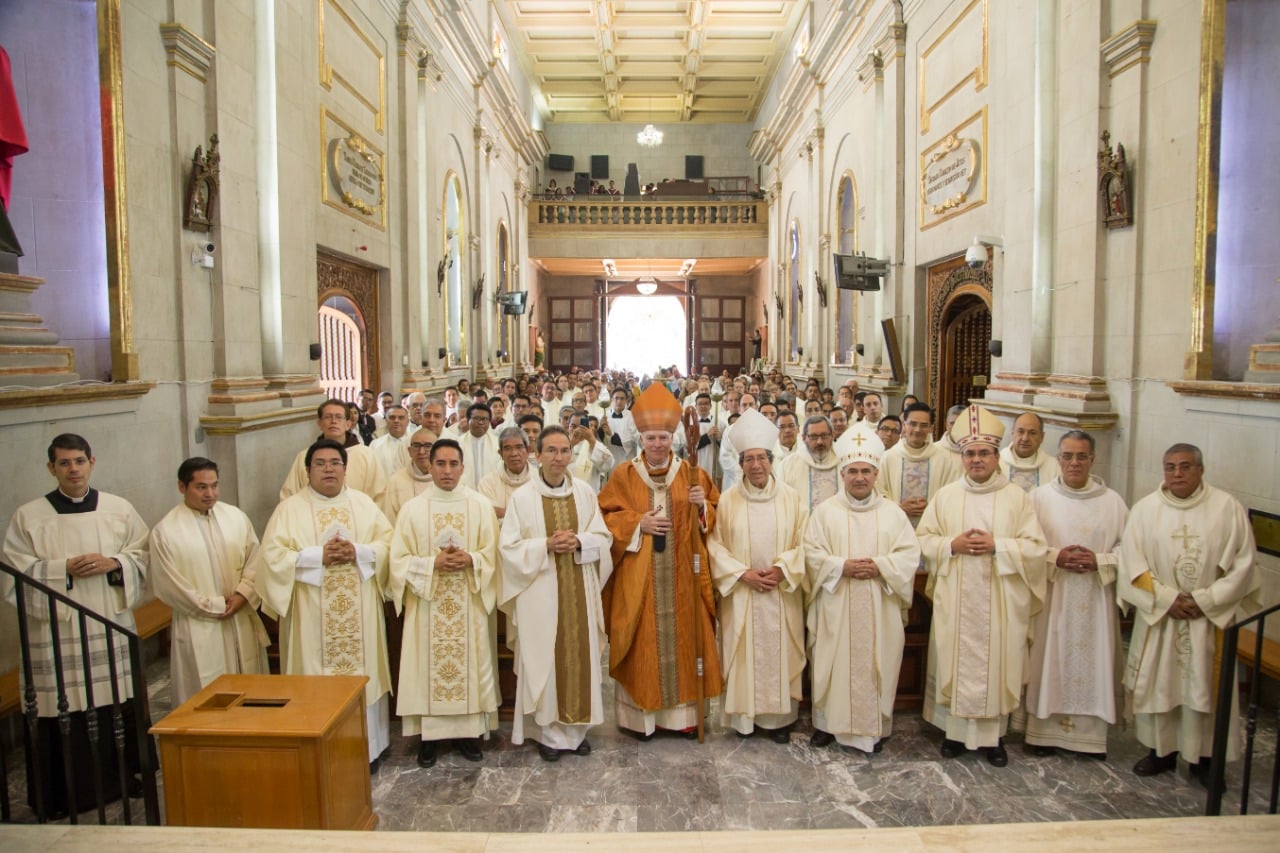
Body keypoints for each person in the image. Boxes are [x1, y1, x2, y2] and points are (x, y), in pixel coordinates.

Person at [3, 433, 150, 817]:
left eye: (79, 461)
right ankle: (61, 795)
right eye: (64, 463)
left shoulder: (118, 509)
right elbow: (12, 574)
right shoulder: (29, 516)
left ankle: (122, 778)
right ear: (51, 468)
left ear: (92, 463)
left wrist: (116, 563)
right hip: (57, 631)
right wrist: (60, 569)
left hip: (108, 620)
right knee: (63, 709)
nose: (73, 469)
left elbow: (143, 554)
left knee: (115, 701)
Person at [1118, 443, 1261, 780]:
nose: (1177, 474)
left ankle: (1207, 760)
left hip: (1208, 621)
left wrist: (1206, 601)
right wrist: (1169, 599)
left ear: (1200, 470)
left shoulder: (1227, 508)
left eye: (1185, 467)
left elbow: (1244, 564)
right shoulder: (1145, 510)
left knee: (1206, 691)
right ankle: (1159, 752)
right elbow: (1131, 564)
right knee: (1160, 685)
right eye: (1170, 467)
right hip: (1163, 618)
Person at [916, 405, 1047, 766]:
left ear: (995, 456)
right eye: (970, 453)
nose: (976, 460)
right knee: (955, 660)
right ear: (962, 457)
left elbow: (1036, 548)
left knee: (997, 662)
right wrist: (950, 545)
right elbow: (923, 537)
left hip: (1000, 599)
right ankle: (954, 734)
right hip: (956, 595)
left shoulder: (1016, 498)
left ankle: (994, 739)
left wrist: (998, 546)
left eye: (983, 453)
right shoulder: (946, 496)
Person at [254, 438, 394, 763]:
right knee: (315, 680)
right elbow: (271, 558)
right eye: (320, 463)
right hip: (311, 616)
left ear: (346, 469)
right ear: (307, 471)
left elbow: (389, 545)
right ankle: (317, 745)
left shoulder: (363, 504)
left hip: (360, 617)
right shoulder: (289, 510)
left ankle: (367, 749)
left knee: (363, 675)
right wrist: (319, 557)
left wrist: (358, 551)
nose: (328, 469)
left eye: (335, 463)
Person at [598, 383, 723, 738]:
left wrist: (703, 506)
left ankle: (683, 719)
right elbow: (605, 517)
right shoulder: (623, 475)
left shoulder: (691, 473)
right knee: (641, 644)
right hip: (640, 579)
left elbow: (713, 517)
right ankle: (642, 721)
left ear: (674, 439)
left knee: (686, 643)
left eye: (663, 438)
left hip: (684, 574)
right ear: (641, 438)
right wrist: (639, 522)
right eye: (651, 438)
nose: (657, 445)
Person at [499, 426, 614, 761]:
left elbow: (603, 538)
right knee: (544, 662)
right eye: (551, 451)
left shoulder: (584, 492)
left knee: (580, 658)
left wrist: (580, 541)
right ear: (538, 455)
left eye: (565, 451)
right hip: (539, 593)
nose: (559, 458)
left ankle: (577, 733)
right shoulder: (522, 498)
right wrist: (545, 545)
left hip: (580, 586)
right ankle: (549, 733)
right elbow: (508, 549)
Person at [805, 432, 920, 754]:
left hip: (878, 605)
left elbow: (909, 554)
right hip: (836, 604)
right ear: (841, 474)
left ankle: (875, 726)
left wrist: (880, 566)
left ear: (876, 475)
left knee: (877, 663)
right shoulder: (825, 512)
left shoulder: (893, 514)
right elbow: (811, 553)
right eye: (852, 471)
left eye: (865, 471)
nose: (859, 477)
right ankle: (826, 724)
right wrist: (841, 566)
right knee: (831, 662)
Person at [388, 438, 500, 768]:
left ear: (463, 468)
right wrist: (430, 564)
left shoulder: (479, 506)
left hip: (468, 603)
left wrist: (472, 559)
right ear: (430, 466)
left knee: (469, 666)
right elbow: (397, 560)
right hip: (427, 604)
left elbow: (493, 555)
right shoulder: (413, 509)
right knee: (426, 667)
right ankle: (429, 738)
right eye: (441, 464)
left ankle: (468, 734)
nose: (447, 471)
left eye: (454, 464)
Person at [1024, 430, 1128, 759]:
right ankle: (1043, 734)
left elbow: (1131, 550)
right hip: (1054, 595)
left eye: (1081, 456)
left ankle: (1089, 739)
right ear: (1058, 459)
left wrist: (1102, 560)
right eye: (1067, 456)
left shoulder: (1112, 502)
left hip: (1095, 600)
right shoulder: (1039, 498)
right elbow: (1026, 545)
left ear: (1092, 460)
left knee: (1094, 661)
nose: (1073, 463)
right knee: (1049, 657)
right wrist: (1056, 557)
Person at [707, 410, 807, 742]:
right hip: (743, 593)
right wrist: (742, 574)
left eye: (761, 458)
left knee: (778, 653)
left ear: (771, 459)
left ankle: (778, 721)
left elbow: (804, 541)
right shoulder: (728, 500)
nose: (755, 466)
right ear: (741, 464)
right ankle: (744, 719)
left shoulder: (792, 498)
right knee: (744, 654)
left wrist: (782, 570)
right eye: (748, 460)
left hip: (781, 593)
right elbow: (715, 545)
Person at [150, 457, 269, 707]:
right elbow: (169, 584)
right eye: (201, 487)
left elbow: (255, 559)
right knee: (206, 693)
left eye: (215, 486)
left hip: (239, 615)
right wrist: (214, 605)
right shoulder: (167, 531)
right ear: (182, 487)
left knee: (250, 687)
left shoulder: (235, 516)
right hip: (199, 623)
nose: (210, 493)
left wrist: (243, 594)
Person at [279, 399, 386, 505]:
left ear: (348, 424)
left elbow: (379, 495)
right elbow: (289, 497)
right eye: (328, 417)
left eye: (339, 417)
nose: (333, 421)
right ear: (319, 424)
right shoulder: (304, 457)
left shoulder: (366, 455)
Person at [877, 403, 960, 528]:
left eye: (924, 425)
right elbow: (878, 491)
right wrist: (899, 507)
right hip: (895, 526)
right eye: (913, 424)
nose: (917, 430)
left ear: (931, 428)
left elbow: (951, 495)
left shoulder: (944, 460)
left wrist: (932, 507)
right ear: (904, 425)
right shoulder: (888, 457)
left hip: (931, 529)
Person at [777, 415, 840, 512]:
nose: (819, 442)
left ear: (832, 435)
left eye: (824, 436)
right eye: (813, 437)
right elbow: (781, 504)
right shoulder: (788, 466)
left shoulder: (845, 463)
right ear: (803, 437)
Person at [382, 429, 438, 521]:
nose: (422, 451)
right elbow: (389, 520)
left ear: (437, 451)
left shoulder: (446, 480)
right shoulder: (396, 481)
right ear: (410, 451)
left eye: (428, 446)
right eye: (417, 446)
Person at [477, 426, 532, 518]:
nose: (514, 453)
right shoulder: (487, 483)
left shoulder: (540, 479)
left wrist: (502, 513)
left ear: (528, 451)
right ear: (500, 454)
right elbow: (486, 518)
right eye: (507, 448)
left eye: (519, 447)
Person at [999, 412, 1060, 492]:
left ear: (1042, 437)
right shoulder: (997, 463)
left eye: (1032, 433)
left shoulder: (1054, 466)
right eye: (1020, 432)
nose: (1025, 438)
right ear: (1013, 433)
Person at [457, 402, 501, 489]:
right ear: (468, 420)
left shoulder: (498, 443)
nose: (481, 422)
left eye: (485, 419)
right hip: (466, 491)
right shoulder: (458, 443)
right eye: (476, 418)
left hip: (491, 490)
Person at [369, 404, 412, 478]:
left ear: (407, 422)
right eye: (392, 417)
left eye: (401, 418)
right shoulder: (375, 445)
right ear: (386, 421)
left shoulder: (416, 443)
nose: (396, 421)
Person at [604, 387, 637, 466]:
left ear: (626, 400)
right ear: (612, 399)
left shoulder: (632, 417)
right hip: (609, 458)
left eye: (622, 399)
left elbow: (632, 439)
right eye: (616, 398)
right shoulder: (605, 415)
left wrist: (612, 435)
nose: (619, 401)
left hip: (626, 457)